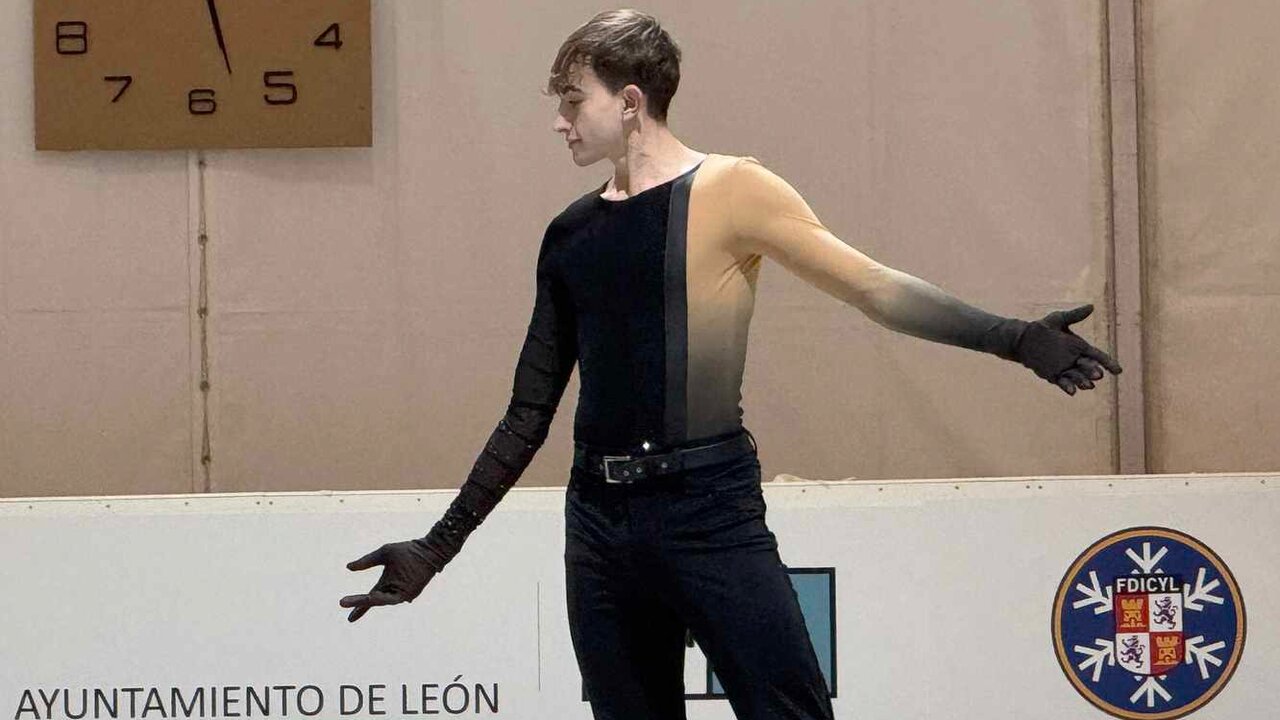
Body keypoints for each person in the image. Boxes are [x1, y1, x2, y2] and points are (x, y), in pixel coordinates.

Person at [339, 9, 1122, 720]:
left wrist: (1014, 338)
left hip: (708, 512)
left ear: (632, 101)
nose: (559, 121)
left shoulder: (733, 189)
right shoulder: (569, 235)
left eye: (574, 100)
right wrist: (437, 547)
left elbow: (873, 287)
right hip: (599, 530)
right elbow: (527, 413)